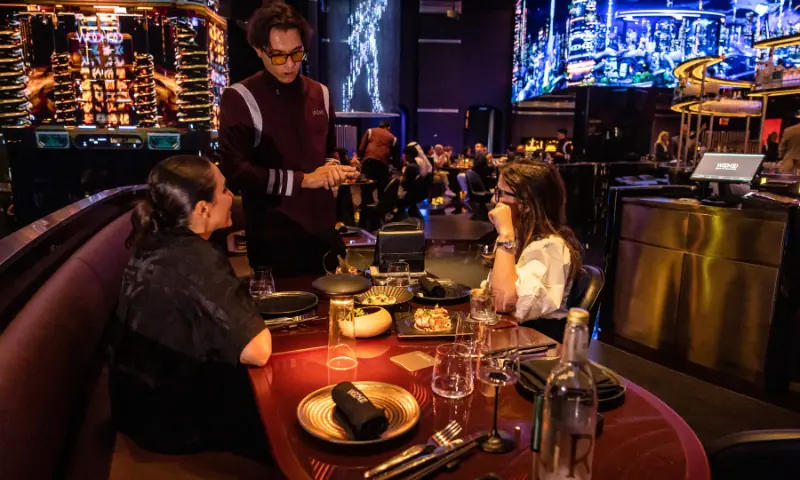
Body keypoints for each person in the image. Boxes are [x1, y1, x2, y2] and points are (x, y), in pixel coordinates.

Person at [111, 156, 273, 456]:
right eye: (224, 190)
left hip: (137, 411)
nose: (231, 198)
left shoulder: (153, 241)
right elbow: (258, 350)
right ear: (202, 208)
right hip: (174, 425)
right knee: (289, 412)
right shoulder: (196, 257)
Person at [218, 4, 358, 277]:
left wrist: (333, 169)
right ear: (259, 51)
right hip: (273, 238)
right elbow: (237, 173)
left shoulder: (321, 93)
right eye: (279, 56)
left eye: (297, 53)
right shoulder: (240, 98)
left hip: (323, 232)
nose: (291, 64)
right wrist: (305, 179)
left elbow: (329, 149)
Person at [484, 161, 583, 342]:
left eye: (500, 193)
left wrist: (505, 234)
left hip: (535, 351)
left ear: (526, 204)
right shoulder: (522, 238)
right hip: (511, 340)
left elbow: (503, 301)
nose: (493, 200)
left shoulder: (551, 247)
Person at [358, 119, 400, 202]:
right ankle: (381, 210)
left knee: (367, 186)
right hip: (382, 164)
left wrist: (361, 161)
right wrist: (396, 167)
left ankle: (366, 208)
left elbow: (361, 148)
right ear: (388, 127)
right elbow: (396, 156)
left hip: (368, 162)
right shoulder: (393, 138)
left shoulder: (370, 131)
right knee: (382, 188)